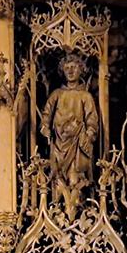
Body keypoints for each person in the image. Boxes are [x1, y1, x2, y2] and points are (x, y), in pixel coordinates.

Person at [40, 53, 99, 212]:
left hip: (77, 144)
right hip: (59, 143)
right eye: (67, 68)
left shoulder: (85, 96)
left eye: (74, 67)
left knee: (75, 177)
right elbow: (46, 114)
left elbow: (92, 119)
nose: (70, 71)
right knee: (57, 177)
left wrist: (89, 134)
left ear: (81, 69)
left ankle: (75, 210)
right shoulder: (56, 95)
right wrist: (45, 126)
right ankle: (58, 211)